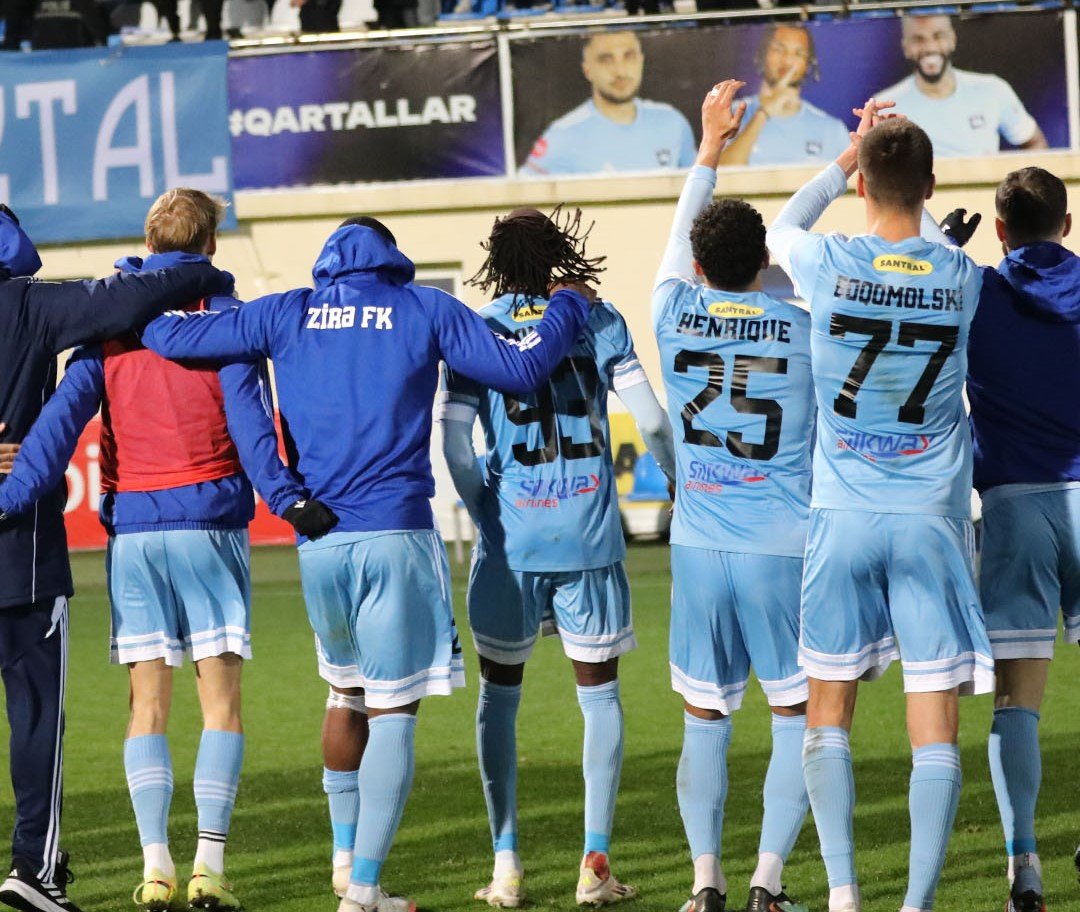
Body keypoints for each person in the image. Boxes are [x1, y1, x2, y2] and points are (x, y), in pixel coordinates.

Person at [139, 214, 596, 912]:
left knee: (343, 694)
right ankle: (363, 890)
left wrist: (148, 279)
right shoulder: (425, 308)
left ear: (328, 262)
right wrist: (566, 305)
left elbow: (167, 335)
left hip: (318, 542)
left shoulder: (286, 311)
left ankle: (344, 860)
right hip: (395, 538)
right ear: (392, 258)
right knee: (393, 712)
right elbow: (522, 368)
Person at [0, 189, 324, 912]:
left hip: (137, 533)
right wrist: (287, 500)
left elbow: (56, 428)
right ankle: (209, 867)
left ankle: (155, 871)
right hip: (209, 524)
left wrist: (10, 495)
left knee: (146, 704)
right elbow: (253, 429)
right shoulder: (228, 322)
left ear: (148, 247)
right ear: (210, 246)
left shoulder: (112, 330)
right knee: (220, 702)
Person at [766, 105, 993, 912]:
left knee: (827, 711)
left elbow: (780, 227)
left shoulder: (826, 260)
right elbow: (930, 244)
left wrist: (845, 158)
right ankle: (916, 904)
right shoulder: (961, 275)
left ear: (862, 184)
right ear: (931, 185)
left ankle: (843, 893)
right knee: (933, 720)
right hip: (931, 518)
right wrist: (905, 190)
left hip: (843, 516)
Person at [438, 207, 675, 908]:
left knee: (499, 696)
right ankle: (594, 864)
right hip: (588, 537)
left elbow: (454, 448)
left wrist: (487, 512)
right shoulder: (598, 320)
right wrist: (680, 484)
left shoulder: (475, 329)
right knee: (599, 697)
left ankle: (506, 866)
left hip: (511, 542)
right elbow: (653, 421)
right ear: (559, 254)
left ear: (496, 261)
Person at [0, 204, 230, 912]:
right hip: (21, 558)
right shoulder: (29, 305)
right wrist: (201, 270)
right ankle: (34, 869)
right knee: (36, 716)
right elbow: (122, 301)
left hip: (60, 543)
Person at [653, 80, 816, 912]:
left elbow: (679, 235)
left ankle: (705, 881)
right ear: (764, 264)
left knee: (703, 720)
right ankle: (767, 880)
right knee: (797, 717)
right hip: (782, 543)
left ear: (697, 266)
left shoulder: (669, 309)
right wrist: (848, 162)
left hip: (699, 547)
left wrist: (710, 147)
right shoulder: (804, 325)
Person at [960, 167, 1078, 912]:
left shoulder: (975, 289)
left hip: (1012, 505)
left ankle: (1025, 866)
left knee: (1016, 698)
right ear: (1066, 225)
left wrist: (947, 249)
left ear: (1000, 230)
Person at [521, 30, 695, 176]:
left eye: (629, 56)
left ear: (641, 61)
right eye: (606, 59)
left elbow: (700, 191)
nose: (620, 71)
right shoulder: (562, 135)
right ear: (587, 70)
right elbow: (523, 200)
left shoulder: (672, 122)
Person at [877, 14, 1047, 158]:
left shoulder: (993, 90)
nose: (930, 47)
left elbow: (1035, 144)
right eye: (918, 39)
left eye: (938, 36)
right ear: (906, 47)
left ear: (952, 39)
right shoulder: (885, 106)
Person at [719, 24, 849, 168]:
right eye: (779, 50)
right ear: (762, 55)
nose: (788, 61)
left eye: (799, 53)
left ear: (808, 65)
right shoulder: (730, 113)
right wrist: (763, 114)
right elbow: (718, 175)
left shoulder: (833, 130)